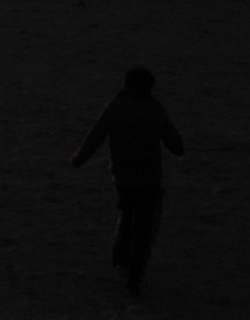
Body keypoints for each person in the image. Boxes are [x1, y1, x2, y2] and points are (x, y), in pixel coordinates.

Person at [71, 65, 185, 297]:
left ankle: (121, 258)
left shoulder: (115, 107)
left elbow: (96, 135)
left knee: (128, 212)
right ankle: (134, 271)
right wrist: (178, 149)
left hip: (122, 177)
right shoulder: (154, 109)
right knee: (143, 225)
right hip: (149, 178)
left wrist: (78, 159)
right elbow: (174, 143)